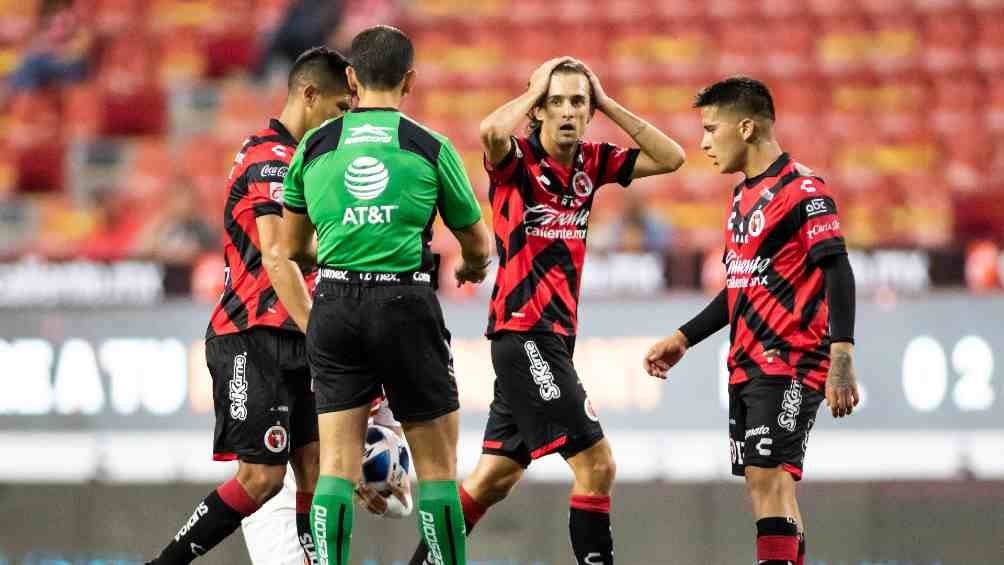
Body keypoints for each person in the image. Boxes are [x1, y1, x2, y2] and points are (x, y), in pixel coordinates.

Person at [410, 56, 686, 565]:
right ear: (537, 110)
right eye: (554, 102)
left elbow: (672, 158)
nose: (566, 112)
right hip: (524, 332)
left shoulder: (593, 162)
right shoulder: (515, 160)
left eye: (577, 103)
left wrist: (607, 103)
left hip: (553, 336)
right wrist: (534, 90)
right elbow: (490, 129)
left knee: (493, 479)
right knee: (597, 466)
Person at [271, 25, 491, 565]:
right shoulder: (429, 146)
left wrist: (349, 253)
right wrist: (470, 267)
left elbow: (294, 249)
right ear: (410, 80)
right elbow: (478, 243)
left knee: (337, 467)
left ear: (351, 78)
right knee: (438, 468)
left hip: (336, 307)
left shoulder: (313, 149)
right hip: (406, 304)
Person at [145, 46, 354, 565]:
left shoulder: (305, 162)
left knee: (314, 467)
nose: (344, 123)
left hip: (294, 336)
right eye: (339, 109)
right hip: (251, 336)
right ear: (309, 96)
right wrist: (322, 332)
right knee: (262, 478)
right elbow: (278, 258)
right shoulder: (270, 158)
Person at [643, 76, 859, 565]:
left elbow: (838, 269)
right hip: (747, 366)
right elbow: (741, 286)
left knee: (769, 477)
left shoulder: (802, 190)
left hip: (789, 362)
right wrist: (684, 337)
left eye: (710, 129)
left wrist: (842, 356)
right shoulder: (741, 198)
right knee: (769, 487)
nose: (702, 142)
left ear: (744, 128)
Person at [242, 397, 412, 565]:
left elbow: (400, 485)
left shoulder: (388, 377)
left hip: (335, 495)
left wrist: (391, 503)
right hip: (281, 487)